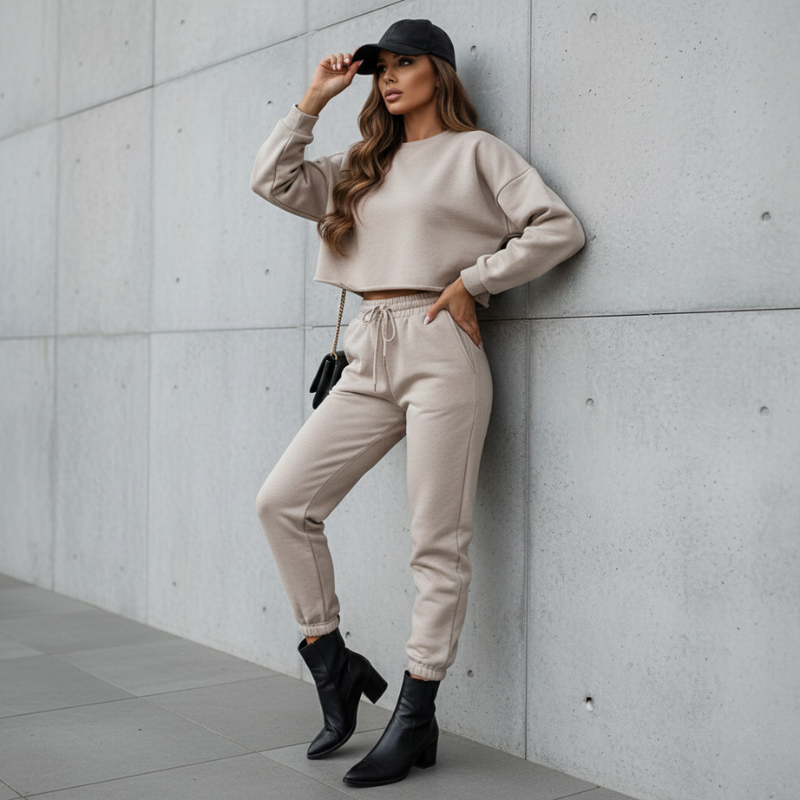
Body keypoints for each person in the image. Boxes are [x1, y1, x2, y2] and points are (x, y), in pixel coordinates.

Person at [251, 18, 585, 789]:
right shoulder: (366, 163)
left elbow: (557, 228)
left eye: (403, 64)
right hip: (369, 345)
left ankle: (416, 713)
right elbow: (273, 181)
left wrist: (475, 281)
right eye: (379, 70)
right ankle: (330, 661)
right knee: (283, 503)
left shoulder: (477, 153)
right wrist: (313, 99)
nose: (389, 78)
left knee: (437, 542)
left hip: (442, 343)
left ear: (438, 71)